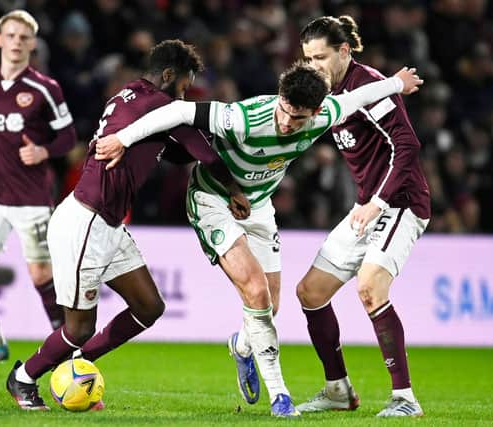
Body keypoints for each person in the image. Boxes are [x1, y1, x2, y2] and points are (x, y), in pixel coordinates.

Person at [94, 60, 423, 418]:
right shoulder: (243, 118)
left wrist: (395, 82)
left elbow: (361, 95)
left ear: (315, 113)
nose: (286, 122)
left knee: (271, 305)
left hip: (259, 204)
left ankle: (242, 345)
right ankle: (280, 397)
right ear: (279, 98)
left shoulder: (327, 112)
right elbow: (177, 111)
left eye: (298, 119)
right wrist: (122, 139)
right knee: (256, 291)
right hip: (214, 199)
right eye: (284, 111)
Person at [5, 39, 251, 411]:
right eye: (184, 86)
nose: (184, 95)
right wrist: (234, 189)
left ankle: (77, 367)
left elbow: (171, 150)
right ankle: (24, 377)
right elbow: (203, 154)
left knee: (149, 306)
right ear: (169, 76)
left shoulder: (127, 97)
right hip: (85, 221)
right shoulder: (160, 105)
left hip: (108, 223)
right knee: (78, 329)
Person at [294, 16, 431, 417]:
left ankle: (405, 399)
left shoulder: (366, 85)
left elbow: (407, 145)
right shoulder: (326, 93)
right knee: (311, 293)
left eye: (320, 57)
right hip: (366, 205)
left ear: (343, 51)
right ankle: (338, 390)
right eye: (307, 58)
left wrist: (380, 202)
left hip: (401, 202)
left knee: (370, 287)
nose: (313, 65)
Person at [0, 10, 76, 377]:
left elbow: (69, 138)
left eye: (24, 37)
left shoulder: (45, 88)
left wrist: (44, 151)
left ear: (32, 44)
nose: (16, 42)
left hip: (32, 199)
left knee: (42, 277)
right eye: (11, 35)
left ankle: (67, 351)